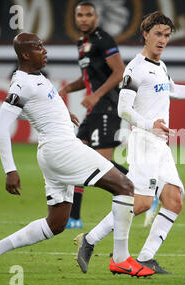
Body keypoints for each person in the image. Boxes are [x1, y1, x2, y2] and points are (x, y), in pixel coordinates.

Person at [0, 32, 154, 278]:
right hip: (62, 149)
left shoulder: (36, 78)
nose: (45, 51)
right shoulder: (22, 83)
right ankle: (120, 259)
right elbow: (1, 125)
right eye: (38, 48)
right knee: (126, 186)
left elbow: (35, 107)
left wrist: (64, 115)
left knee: (56, 223)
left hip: (54, 151)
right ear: (25, 54)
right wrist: (9, 169)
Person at [74, 11, 185, 274]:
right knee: (139, 203)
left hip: (159, 145)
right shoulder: (135, 68)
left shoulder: (160, 67)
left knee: (174, 200)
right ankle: (90, 239)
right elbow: (123, 109)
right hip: (143, 141)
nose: (162, 40)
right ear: (145, 34)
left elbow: (174, 90)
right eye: (158, 34)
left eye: (166, 35)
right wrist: (149, 125)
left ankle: (145, 258)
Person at [58, 1, 137, 229]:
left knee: (102, 161)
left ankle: (147, 187)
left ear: (96, 17)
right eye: (80, 15)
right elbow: (86, 79)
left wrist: (96, 96)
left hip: (108, 106)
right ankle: (74, 217)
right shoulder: (81, 43)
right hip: (94, 109)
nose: (83, 19)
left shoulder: (104, 39)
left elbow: (119, 72)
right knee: (77, 159)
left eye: (88, 15)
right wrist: (66, 89)